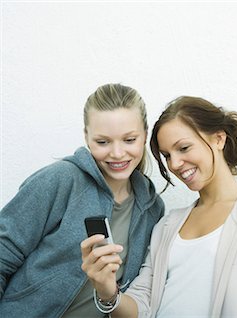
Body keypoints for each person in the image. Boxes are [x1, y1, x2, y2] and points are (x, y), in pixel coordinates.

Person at [81, 96, 237, 317]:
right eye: (166, 155)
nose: (174, 164)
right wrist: (107, 291)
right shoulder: (167, 224)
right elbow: (141, 304)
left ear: (219, 139)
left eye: (183, 148)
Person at [0, 83, 165, 317]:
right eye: (103, 142)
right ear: (87, 137)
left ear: (145, 135)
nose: (117, 153)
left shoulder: (152, 208)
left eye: (129, 140)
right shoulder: (61, 180)